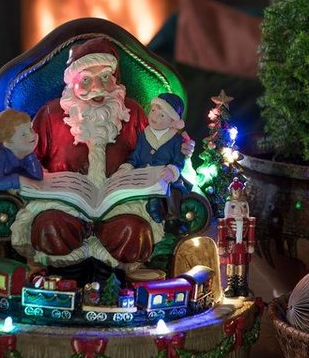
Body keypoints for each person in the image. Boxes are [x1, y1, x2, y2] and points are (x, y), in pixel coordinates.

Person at [19, 37, 193, 268]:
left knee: (134, 232)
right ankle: (67, 274)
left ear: (115, 78)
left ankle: (113, 275)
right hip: (66, 206)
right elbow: (28, 158)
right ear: (72, 83)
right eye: (86, 80)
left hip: (119, 206)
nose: (98, 88)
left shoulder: (131, 112)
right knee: (49, 227)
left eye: (104, 77)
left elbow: (158, 149)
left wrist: (180, 151)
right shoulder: (51, 114)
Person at [119, 92, 191, 229]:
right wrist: (127, 166)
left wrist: (172, 170)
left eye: (161, 115)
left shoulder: (176, 139)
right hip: (144, 174)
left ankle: (172, 219)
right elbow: (136, 155)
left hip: (164, 175)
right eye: (153, 111)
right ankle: (149, 214)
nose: (154, 117)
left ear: (172, 121)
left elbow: (178, 160)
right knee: (146, 195)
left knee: (172, 191)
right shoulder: (143, 135)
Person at [217, 179, 256, 297]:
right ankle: (231, 284)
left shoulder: (249, 221)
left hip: (242, 247)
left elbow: (250, 234)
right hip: (231, 247)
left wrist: (250, 245)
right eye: (233, 207)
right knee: (231, 264)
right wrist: (221, 246)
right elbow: (222, 235)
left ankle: (241, 284)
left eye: (242, 206)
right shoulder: (224, 222)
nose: (239, 210)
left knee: (241, 264)